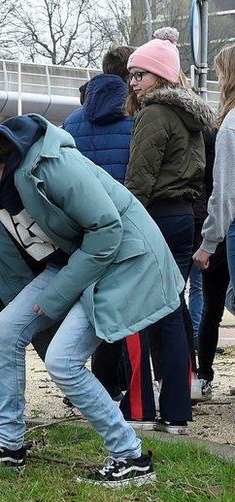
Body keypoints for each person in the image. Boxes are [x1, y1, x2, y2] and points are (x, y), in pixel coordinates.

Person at [0, 114, 184, 486]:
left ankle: (130, 456)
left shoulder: (51, 166)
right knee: (5, 329)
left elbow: (106, 230)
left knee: (63, 361)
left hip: (118, 260)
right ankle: (9, 445)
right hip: (76, 264)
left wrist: (56, 295)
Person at [123, 27, 212, 432]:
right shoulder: (191, 114)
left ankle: (139, 407)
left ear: (160, 75)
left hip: (154, 216)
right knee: (172, 309)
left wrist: (125, 225)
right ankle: (177, 408)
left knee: (140, 309)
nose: (134, 83)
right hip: (182, 218)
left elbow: (139, 179)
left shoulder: (155, 113)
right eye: (131, 75)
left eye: (140, 74)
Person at [62, 45, 136, 400]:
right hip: (125, 221)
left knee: (93, 304)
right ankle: (128, 382)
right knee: (128, 303)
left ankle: (97, 380)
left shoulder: (73, 122)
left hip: (83, 227)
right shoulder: (136, 118)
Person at [192, 44, 235, 401]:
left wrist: (208, 241)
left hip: (225, 225)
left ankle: (203, 375)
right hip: (224, 223)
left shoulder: (226, 125)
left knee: (213, 304)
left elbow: (223, 191)